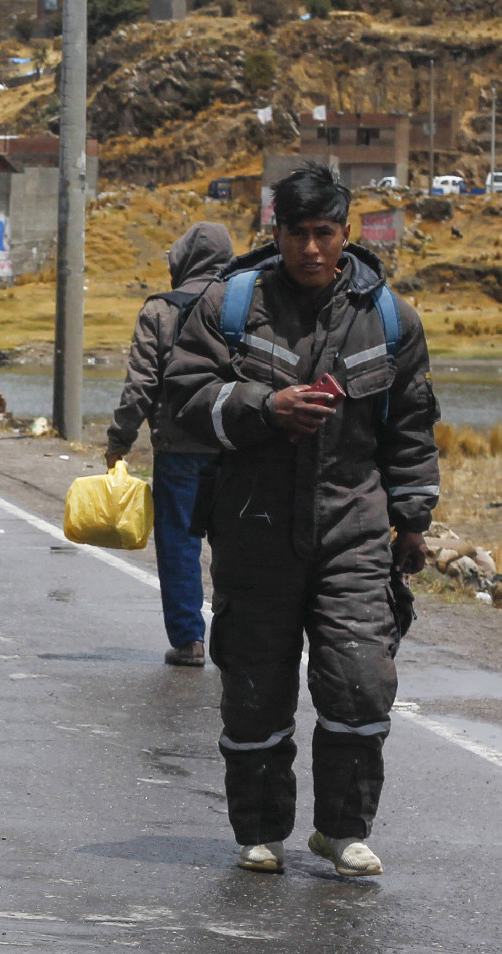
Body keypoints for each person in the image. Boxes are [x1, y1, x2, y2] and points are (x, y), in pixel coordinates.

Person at [163, 162, 439, 878]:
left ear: (345, 233)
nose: (311, 248)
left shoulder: (390, 319)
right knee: (255, 682)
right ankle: (260, 830)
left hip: (353, 527)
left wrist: (412, 519)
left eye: (324, 233)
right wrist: (265, 408)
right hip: (253, 527)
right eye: (297, 233)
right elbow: (187, 398)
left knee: (360, 679)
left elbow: (409, 427)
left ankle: (342, 830)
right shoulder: (230, 306)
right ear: (275, 232)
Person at [104, 222, 235, 669]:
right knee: (235, 543)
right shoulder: (245, 304)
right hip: (235, 447)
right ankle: (236, 638)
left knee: (179, 545)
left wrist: (119, 440)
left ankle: (189, 641)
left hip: (179, 450)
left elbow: (140, 383)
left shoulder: (160, 309)